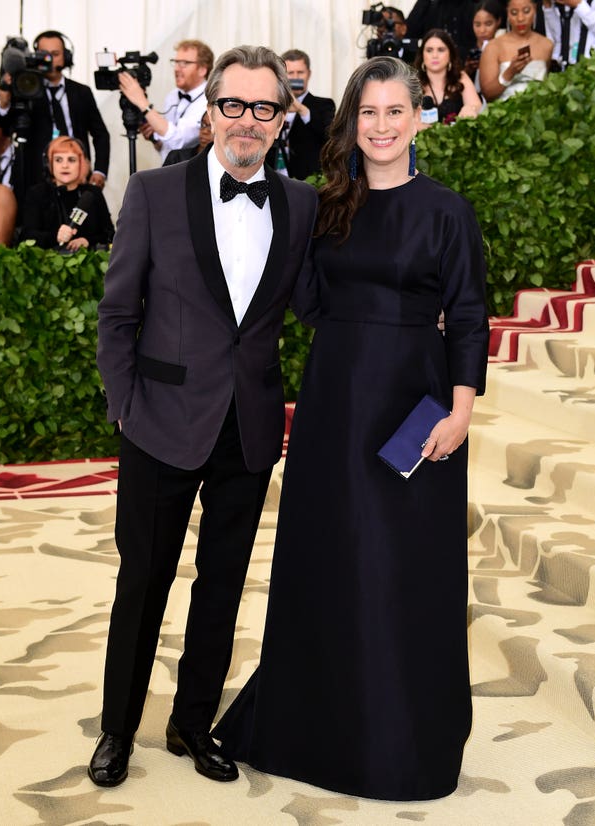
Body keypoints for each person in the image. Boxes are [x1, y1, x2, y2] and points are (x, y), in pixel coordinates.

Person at [213, 55, 489, 802]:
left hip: (415, 409)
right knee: (330, 557)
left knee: (401, 568)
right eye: (367, 113)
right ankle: (313, 727)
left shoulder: (447, 212)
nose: (381, 125)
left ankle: (399, 738)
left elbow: (467, 316)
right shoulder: (327, 205)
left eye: (394, 111)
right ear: (351, 124)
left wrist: (461, 409)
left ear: (416, 118)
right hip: (336, 401)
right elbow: (306, 300)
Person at [89, 44, 319, 789]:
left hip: (248, 428)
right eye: (233, 105)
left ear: (283, 119)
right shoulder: (155, 193)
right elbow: (118, 313)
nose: (246, 121)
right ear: (210, 109)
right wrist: (125, 408)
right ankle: (118, 731)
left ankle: (192, 723)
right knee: (144, 579)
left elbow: (320, 305)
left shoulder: (303, 204)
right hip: (158, 421)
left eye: (263, 108)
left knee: (221, 585)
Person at [0, 30, 110, 200]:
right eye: (44, 54)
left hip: (78, 176)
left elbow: (100, 134)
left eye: (55, 54)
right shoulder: (26, 89)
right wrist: (4, 101)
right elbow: (5, 127)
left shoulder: (81, 92)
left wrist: (100, 171)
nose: (49, 59)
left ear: (66, 56)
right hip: (36, 179)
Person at [119, 39, 214, 164]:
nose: (177, 69)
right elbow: (168, 146)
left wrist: (141, 101)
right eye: (176, 62)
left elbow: (178, 140)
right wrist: (156, 140)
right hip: (169, 169)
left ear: (202, 69)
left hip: (193, 172)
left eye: (184, 63)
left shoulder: (209, 100)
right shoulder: (172, 96)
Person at [19, 136, 113, 251]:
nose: (65, 166)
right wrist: (55, 237)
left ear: (81, 163)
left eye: (71, 160)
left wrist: (88, 241)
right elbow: (26, 236)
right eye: (58, 160)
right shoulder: (37, 193)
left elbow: (110, 235)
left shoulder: (92, 193)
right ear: (49, 164)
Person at [265, 49, 335, 180]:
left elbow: (330, 135)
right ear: (282, 76)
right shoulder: (272, 106)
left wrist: (302, 109)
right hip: (272, 178)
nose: (296, 77)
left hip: (308, 181)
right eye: (290, 73)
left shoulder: (324, 105)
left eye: (300, 72)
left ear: (308, 74)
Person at [480, 0, 553, 101]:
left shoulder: (547, 45)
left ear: (535, 10)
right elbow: (487, 94)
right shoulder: (493, 47)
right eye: (514, 13)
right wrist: (509, 73)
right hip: (503, 111)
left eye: (526, 11)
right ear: (507, 12)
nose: (520, 18)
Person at [415, 29, 482, 125]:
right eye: (429, 50)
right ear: (422, 54)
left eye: (441, 50)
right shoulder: (413, 82)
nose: (435, 55)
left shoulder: (460, 76)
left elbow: (476, 105)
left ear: (450, 54)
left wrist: (471, 109)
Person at [407, 0, 479, 59]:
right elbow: (409, 33)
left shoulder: (475, 5)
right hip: (431, 64)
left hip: (465, 64)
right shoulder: (430, 4)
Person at [464, 1, 506, 84]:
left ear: (498, 21)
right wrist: (467, 71)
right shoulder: (467, 50)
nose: (482, 30)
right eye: (477, 25)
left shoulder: (505, 48)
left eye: (488, 24)